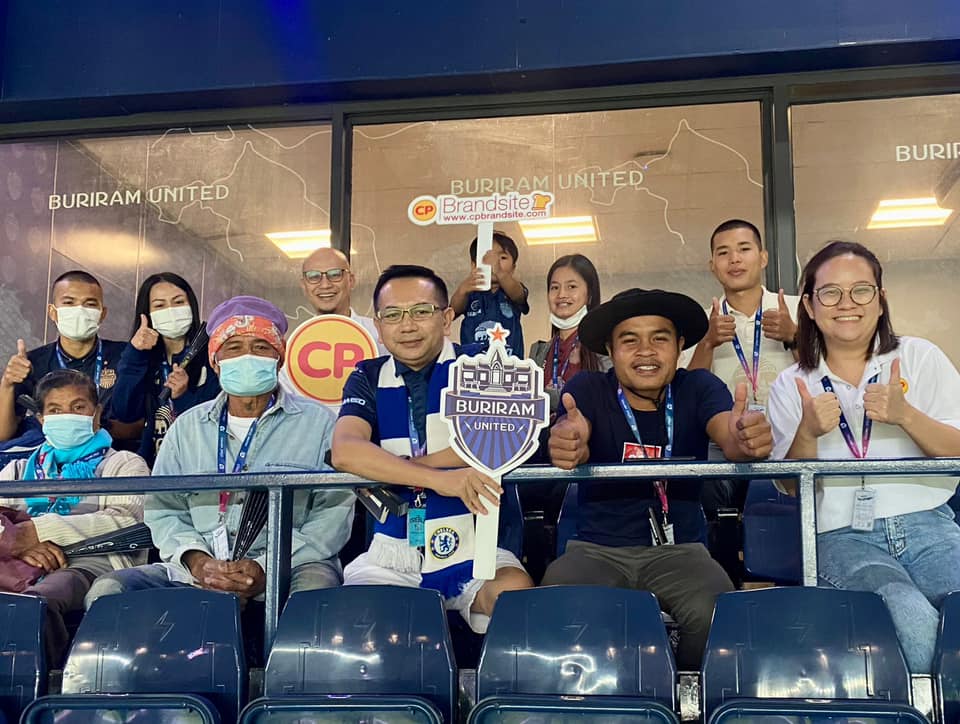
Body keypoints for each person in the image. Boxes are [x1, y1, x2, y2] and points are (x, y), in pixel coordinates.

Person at [544, 288, 774, 669]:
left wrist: (745, 438)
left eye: (659, 339)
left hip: (682, 552)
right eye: (630, 340)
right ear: (610, 349)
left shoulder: (698, 388)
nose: (645, 352)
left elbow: (730, 436)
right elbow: (575, 430)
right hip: (596, 551)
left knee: (718, 613)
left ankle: (684, 691)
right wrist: (570, 443)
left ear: (680, 345)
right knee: (554, 600)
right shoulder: (588, 388)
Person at [85, 295, 356, 606]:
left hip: (293, 564)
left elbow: (333, 512)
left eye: (261, 347)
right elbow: (163, 508)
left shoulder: (320, 424)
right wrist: (198, 562)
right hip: (198, 568)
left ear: (279, 359)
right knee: (107, 592)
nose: (247, 357)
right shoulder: (186, 428)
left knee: (314, 600)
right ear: (215, 361)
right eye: (234, 348)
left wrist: (266, 566)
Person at [766, 240, 960, 674]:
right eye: (830, 292)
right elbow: (789, 486)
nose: (846, 303)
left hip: (930, 523)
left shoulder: (920, 357)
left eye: (861, 290)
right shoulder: (791, 384)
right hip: (841, 536)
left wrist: (906, 416)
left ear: (880, 299)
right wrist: (807, 433)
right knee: (911, 620)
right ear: (809, 306)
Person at [332, 264, 532, 633]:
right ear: (378, 326)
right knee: (359, 618)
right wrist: (443, 479)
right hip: (394, 554)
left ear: (447, 318)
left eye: (421, 311)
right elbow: (345, 451)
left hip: (476, 546)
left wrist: (397, 467)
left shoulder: (484, 362)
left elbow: (491, 441)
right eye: (393, 315)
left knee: (514, 595)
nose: (407, 325)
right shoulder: (367, 375)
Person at [0, 369, 148, 665]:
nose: (67, 416)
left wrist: (39, 531)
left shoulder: (124, 464)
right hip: (18, 561)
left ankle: (38, 680)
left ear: (96, 414)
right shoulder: (16, 470)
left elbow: (128, 522)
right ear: (41, 419)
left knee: (37, 602)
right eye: (55, 410)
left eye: (78, 407)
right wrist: (22, 544)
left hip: (89, 563)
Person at [679, 219, 799, 407]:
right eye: (723, 252)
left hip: (796, 426)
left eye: (744, 249)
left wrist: (795, 336)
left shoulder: (798, 309)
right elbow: (687, 398)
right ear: (712, 266)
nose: (734, 259)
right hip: (726, 426)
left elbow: (826, 378)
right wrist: (707, 343)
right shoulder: (699, 323)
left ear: (763, 258)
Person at [0, 271, 126, 443]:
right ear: (53, 312)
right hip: (50, 455)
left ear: (102, 314)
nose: (80, 310)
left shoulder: (124, 357)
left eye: (89, 304)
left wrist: (94, 425)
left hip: (114, 452)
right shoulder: (32, 363)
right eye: (69, 303)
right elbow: (3, 434)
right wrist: (7, 384)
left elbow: (139, 425)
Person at [110, 272, 220, 466]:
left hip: (201, 464)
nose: (171, 311)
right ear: (147, 313)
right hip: (154, 467)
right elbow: (125, 412)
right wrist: (135, 354)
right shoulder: (143, 357)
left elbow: (215, 417)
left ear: (191, 305)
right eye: (160, 305)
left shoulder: (212, 354)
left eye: (178, 302)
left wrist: (183, 397)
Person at [279, 246, 385, 402]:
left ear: (351, 280)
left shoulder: (381, 335)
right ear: (304, 285)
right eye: (313, 276)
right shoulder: (291, 347)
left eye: (335, 275)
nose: (325, 285)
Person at [529, 254, 611, 416]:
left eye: (571, 286)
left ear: (590, 295)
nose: (561, 294)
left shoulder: (604, 349)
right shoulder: (538, 352)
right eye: (554, 287)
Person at [452, 231, 529, 357]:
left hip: (509, 362)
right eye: (486, 257)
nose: (493, 263)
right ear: (474, 265)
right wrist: (462, 290)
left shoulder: (512, 290)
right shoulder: (470, 292)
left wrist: (499, 271)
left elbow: (519, 295)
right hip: (473, 363)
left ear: (513, 268)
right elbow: (453, 311)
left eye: (502, 258)